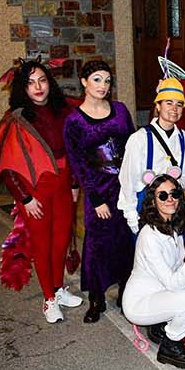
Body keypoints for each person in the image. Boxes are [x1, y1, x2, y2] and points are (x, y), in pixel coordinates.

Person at [0, 59, 80, 324]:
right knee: (42, 246)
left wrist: (75, 184)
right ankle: (48, 298)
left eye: (42, 80)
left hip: (64, 186)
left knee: (61, 240)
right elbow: (7, 168)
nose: (38, 87)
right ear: (23, 87)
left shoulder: (63, 109)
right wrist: (25, 198)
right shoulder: (16, 119)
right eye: (31, 82)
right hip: (35, 190)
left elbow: (74, 150)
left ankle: (58, 288)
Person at [62, 59, 136, 322]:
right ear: (84, 82)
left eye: (107, 80)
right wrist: (95, 200)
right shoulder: (74, 121)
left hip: (125, 186)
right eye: (96, 79)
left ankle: (127, 291)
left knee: (126, 240)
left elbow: (133, 144)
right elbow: (78, 164)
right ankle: (96, 298)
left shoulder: (120, 110)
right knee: (96, 245)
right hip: (98, 190)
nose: (103, 85)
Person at [122, 172, 185, 367]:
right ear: (153, 201)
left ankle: (162, 325)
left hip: (164, 294)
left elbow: (177, 272)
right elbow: (173, 282)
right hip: (140, 303)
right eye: (163, 196)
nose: (170, 200)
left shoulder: (173, 228)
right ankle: (170, 346)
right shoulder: (149, 236)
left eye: (174, 194)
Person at [121, 78, 185, 236]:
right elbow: (128, 180)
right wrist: (131, 216)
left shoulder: (183, 138)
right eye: (169, 103)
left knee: (176, 255)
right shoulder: (139, 138)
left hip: (175, 209)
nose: (174, 108)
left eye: (179, 104)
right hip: (146, 209)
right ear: (158, 106)